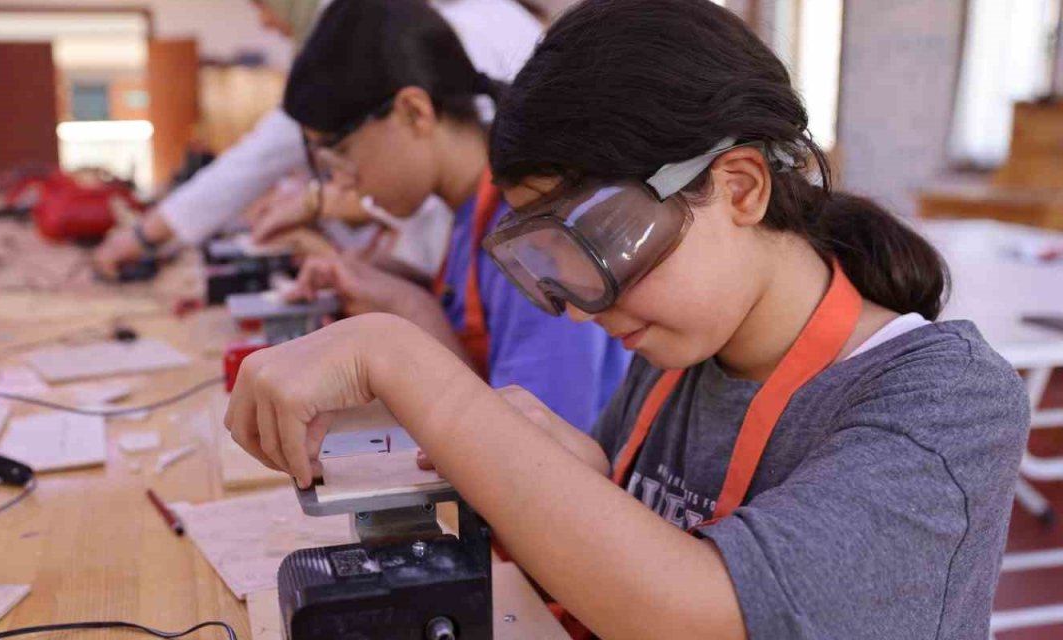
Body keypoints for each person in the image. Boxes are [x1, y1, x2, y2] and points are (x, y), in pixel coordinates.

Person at [222, 1, 1032, 638]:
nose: (586, 303)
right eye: (549, 261)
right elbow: (627, 547)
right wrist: (582, 472)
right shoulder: (681, 349)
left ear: (741, 186)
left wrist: (395, 354)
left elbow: (698, 613)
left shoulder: (948, 402)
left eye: (602, 243)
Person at [277, 0, 628, 432]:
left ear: (414, 112)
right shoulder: (468, 213)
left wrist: (409, 305)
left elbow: (533, 447)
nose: (343, 184)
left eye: (342, 155)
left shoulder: (532, 230)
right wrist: (396, 279)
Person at [91, 0, 542, 279]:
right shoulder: (474, 218)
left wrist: (145, 236)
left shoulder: (521, 242)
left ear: (413, 111)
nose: (266, 23)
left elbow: (534, 418)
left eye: (262, 6)